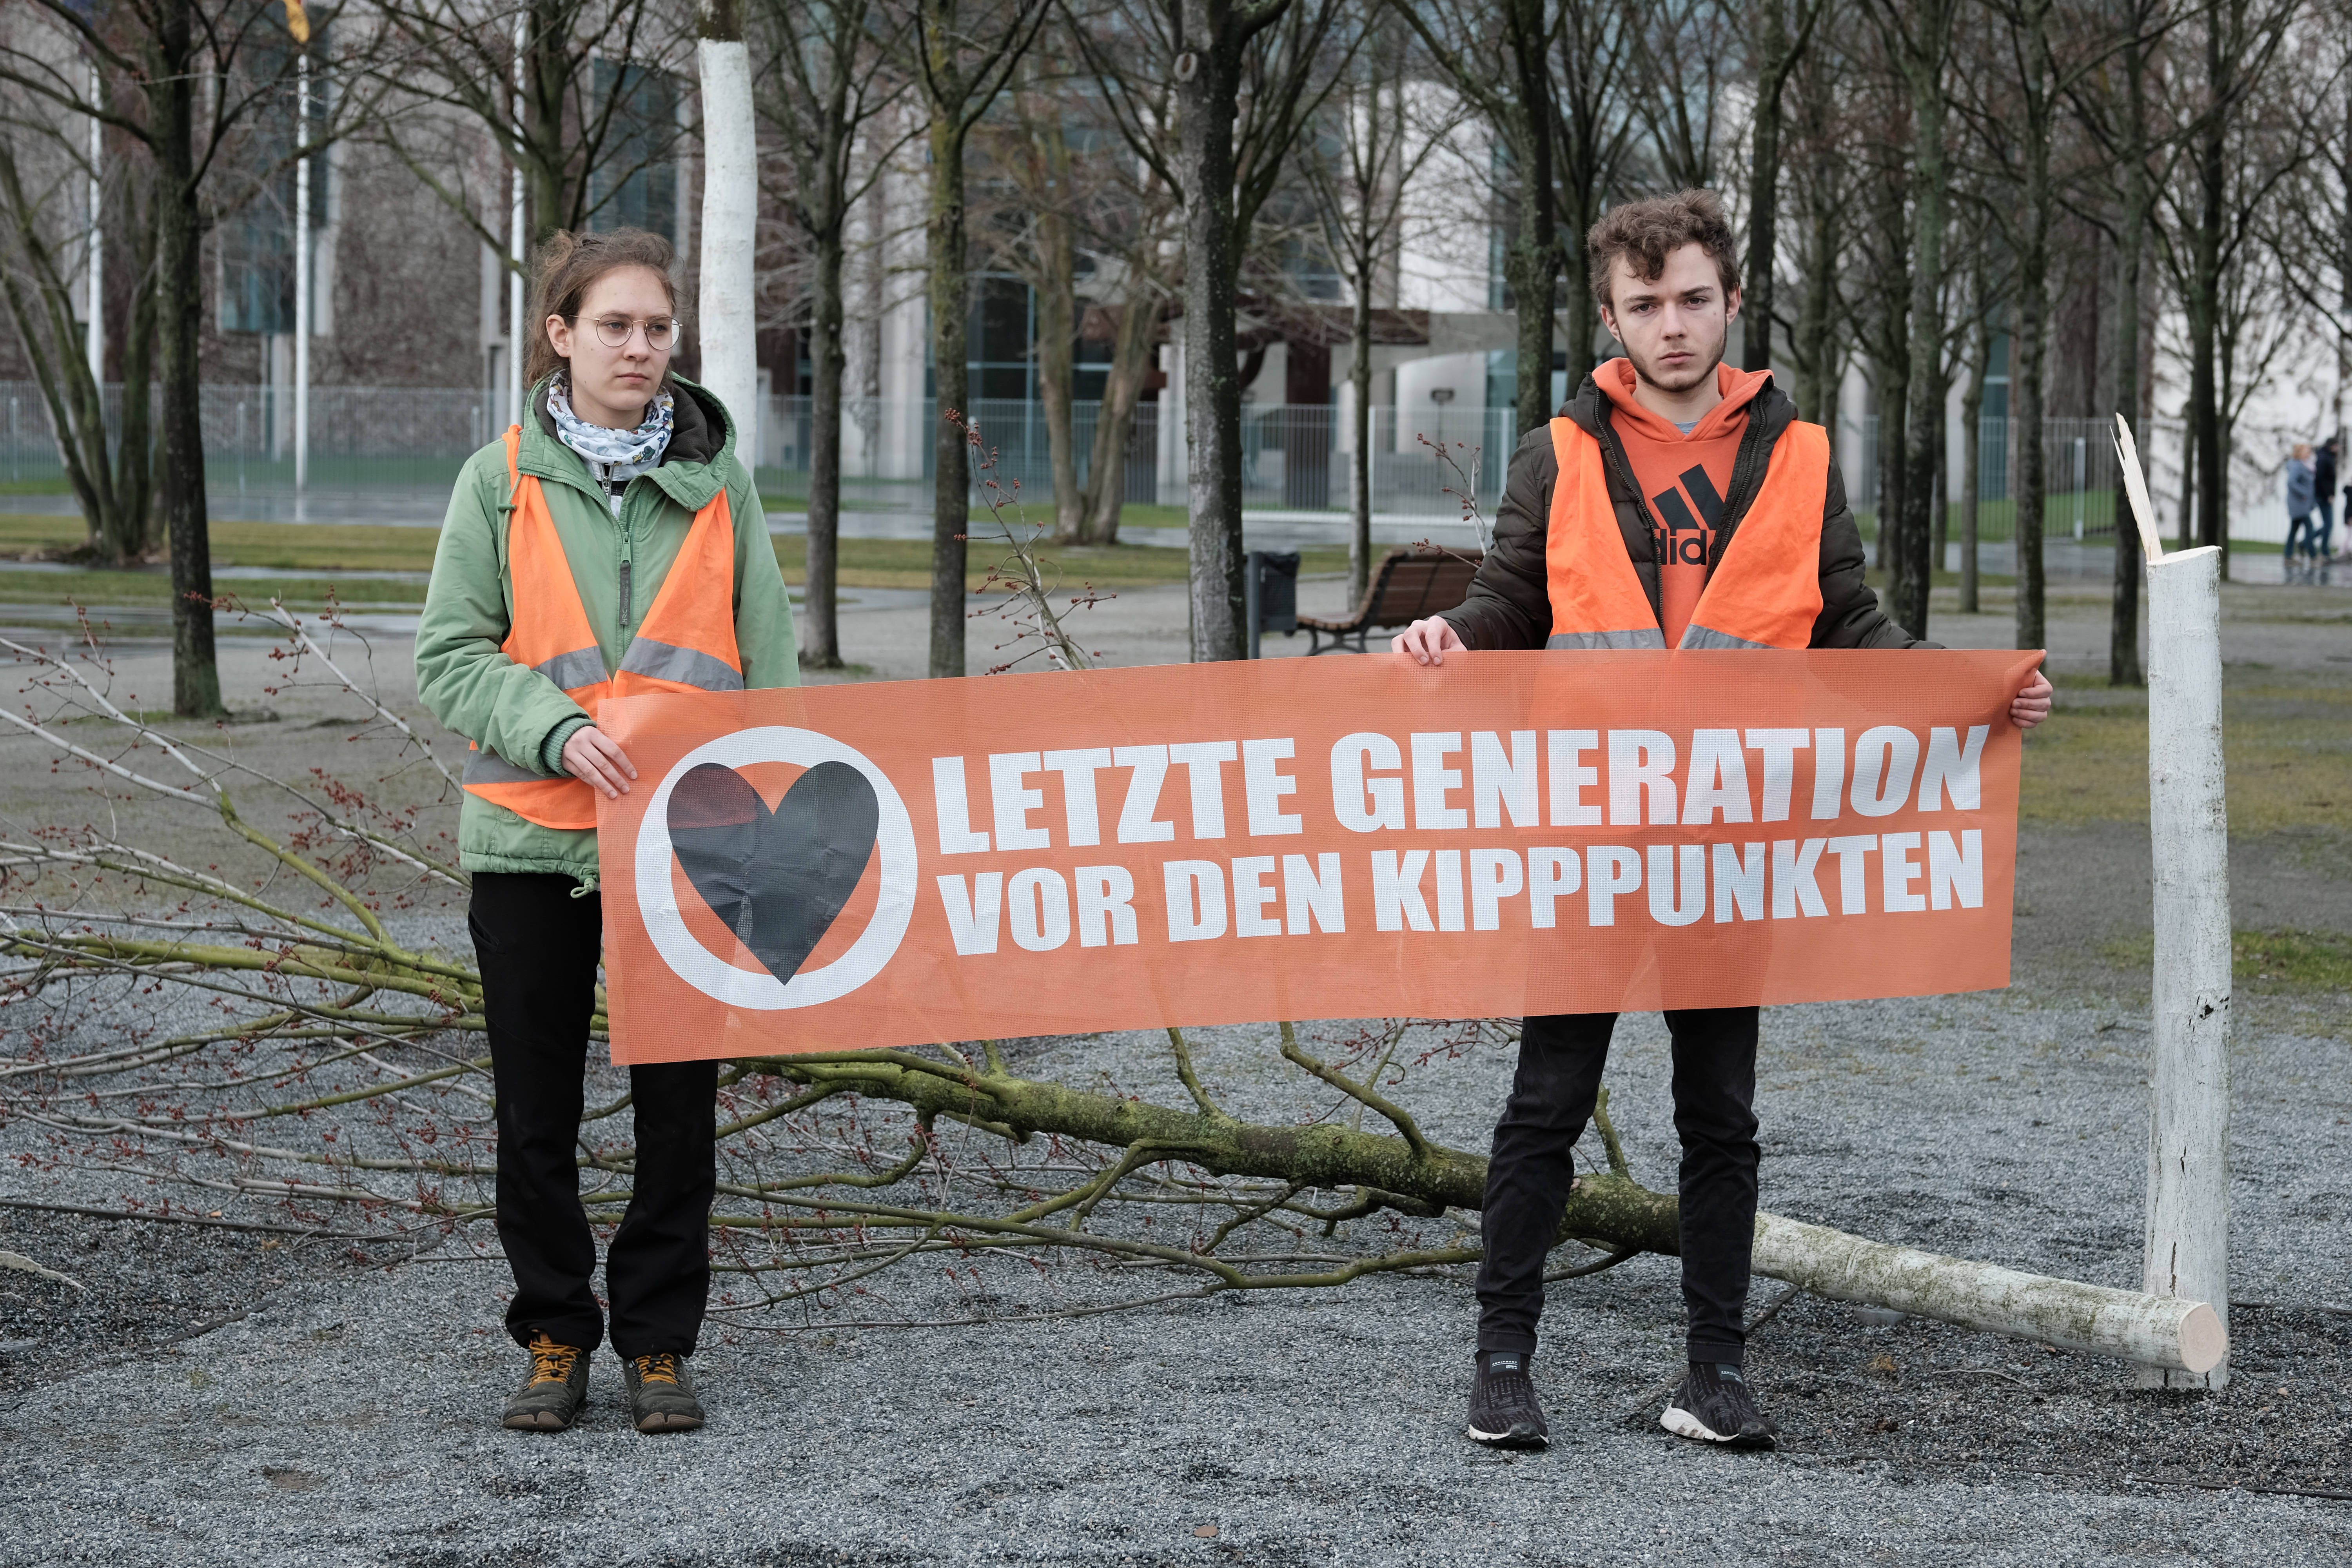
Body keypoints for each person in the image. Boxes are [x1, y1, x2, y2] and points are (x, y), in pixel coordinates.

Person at [1390, 190, 2052, 1454]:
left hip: (1728, 835)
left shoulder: (1795, 454)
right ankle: (1500, 1361)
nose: (1671, 325)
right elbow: (1506, 602)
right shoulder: (1560, 449)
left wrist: (1966, 693)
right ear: (1609, 316)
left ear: (1731, 301)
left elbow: (1847, 617)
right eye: (1643, 305)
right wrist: (1446, 636)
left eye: (1692, 298)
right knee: (1545, 1098)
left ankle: (1713, 1372)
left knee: (1720, 1115)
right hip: (1589, 829)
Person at [416, 228, 798, 1435]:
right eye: (617, 325)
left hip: (688, 850)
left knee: (676, 1111)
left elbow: (769, 670)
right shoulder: (498, 480)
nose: (642, 347)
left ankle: (659, 1342)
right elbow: (448, 654)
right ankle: (552, 1330)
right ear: (561, 334)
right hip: (532, 845)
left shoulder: (722, 482)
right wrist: (550, 726)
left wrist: (776, 829)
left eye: (658, 327)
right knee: (534, 1112)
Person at [2313, 436, 2338, 561]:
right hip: (2323, 497)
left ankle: (2306, 541)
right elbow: (2321, 479)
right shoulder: (2324, 458)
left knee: (2328, 525)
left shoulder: (2328, 457)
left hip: (2326, 496)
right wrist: (2328, 495)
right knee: (2328, 525)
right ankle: (2325, 552)